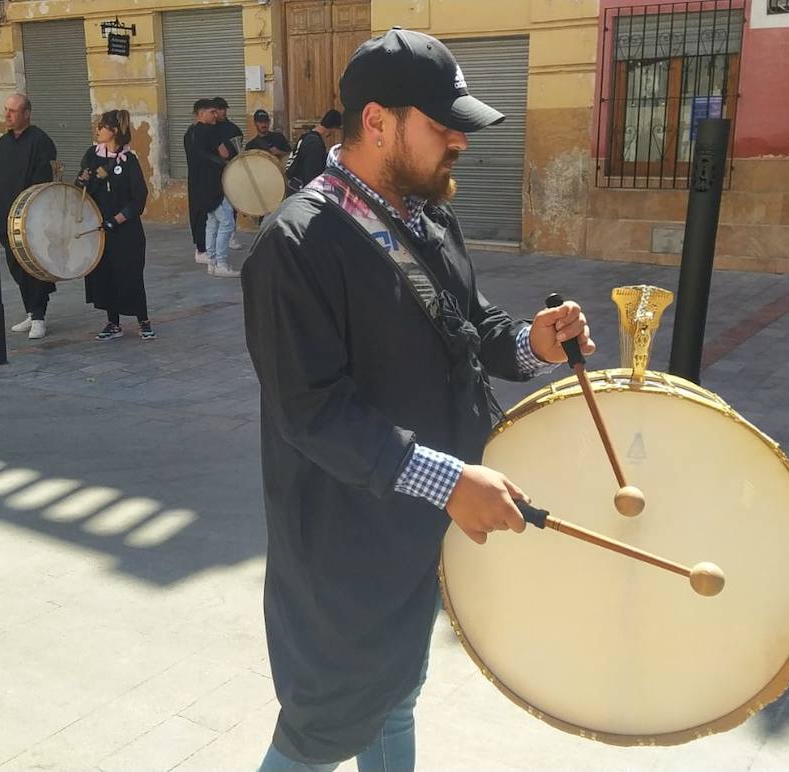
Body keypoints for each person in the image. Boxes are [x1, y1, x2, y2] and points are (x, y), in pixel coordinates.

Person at [241, 28, 594, 771]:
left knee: (399, 693)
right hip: (342, 550)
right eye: (443, 126)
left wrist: (533, 343)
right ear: (377, 122)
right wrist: (452, 481)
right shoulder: (295, 244)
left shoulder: (427, 214)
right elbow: (312, 413)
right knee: (320, 731)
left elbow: (470, 325)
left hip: (417, 526)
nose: (459, 142)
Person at [76, 109, 153, 341]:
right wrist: (81, 181)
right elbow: (84, 187)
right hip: (100, 228)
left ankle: (143, 320)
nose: (98, 129)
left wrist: (117, 219)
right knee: (105, 274)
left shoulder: (129, 161)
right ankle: (113, 323)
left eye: (102, 126)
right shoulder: (92, 155)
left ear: (115, 130)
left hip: (125, 230)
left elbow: (138, 198)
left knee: (130, 274)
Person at [0, 93, 57, 340]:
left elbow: (43, 180)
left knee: (33, 265)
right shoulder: (4, 142)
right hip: (5, 216)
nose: (7, 115)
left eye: (13, 111)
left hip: (31, 216)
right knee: (16, 265)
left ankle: (39, 316)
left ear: (26, 114)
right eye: (6, 110)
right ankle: (31, 311)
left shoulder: (41, 141)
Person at [183, 99, 217, 265]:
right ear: (202, 113)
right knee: (206, 215)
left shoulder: (190, 133)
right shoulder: (205, 131)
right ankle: (204, 249)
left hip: (196, 179)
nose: (215, 115)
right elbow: (222, 153)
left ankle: (202, 248)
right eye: (212, 112)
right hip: (206, 180)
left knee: (199, 213)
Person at [212, 96, 244, 252]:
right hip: (215, 171)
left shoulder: (233, 128)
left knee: (232, 202)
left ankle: (231, 235)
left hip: (231, 169)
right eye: (219, 109)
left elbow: (238, 148)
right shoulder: (209, 129)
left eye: (224, 109)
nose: (222, 112)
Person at [284, 109, 342, 190]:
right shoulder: (314, 143)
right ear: (333, 128)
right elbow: (311, 173)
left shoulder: (307, 137)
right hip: (300, 188)